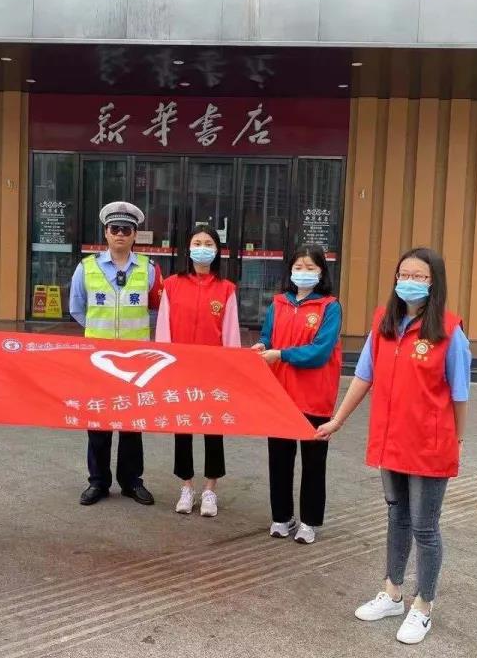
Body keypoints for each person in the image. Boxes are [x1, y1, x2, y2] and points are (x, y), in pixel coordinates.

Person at [316, 246, 470, 645]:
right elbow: (363, 377)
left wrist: (457, 439)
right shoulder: (383, 325)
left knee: (424, 526)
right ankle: (392, 593)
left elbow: (460, 394)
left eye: (419, 276)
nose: (410, 282)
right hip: (392, 440)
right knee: (397, 518)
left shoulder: (449, 332)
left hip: (430, 445)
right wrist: (337, 419)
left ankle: (424, 605)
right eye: (405, 274)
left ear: (434, 283)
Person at [69, 201, 162, 507]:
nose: (120, 234)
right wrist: (100, 332)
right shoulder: (86, 268)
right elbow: (77, 309)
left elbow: (157, 310)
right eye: (115, 228)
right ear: (106, 233)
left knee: (132, 423)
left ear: (134, 235)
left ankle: (132, 481)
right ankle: (98, 481)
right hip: (98, 359)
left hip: (136, 361)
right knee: (98, 422)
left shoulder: (149, 269)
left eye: (126, 229)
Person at [254, 245, 342, 545]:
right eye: (298, 267)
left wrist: (281, 354)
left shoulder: (330, 307)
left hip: (315, 397)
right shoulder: (278, 303)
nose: (303, 273)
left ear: (321, 272)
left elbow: (320, 352)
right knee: (279, 459)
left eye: (310, 267)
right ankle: (281, 517)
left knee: (313, 462)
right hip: (279, 395)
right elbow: (267, 337)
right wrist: (263, 347)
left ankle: (309, 521)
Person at [155, 226, 241, 517]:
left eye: (208, 243)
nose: (202, 247)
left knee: (213, 429)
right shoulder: (172, 285)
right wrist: (164, 365)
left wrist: (231, 370)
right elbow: (163, 329)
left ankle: (210, 489)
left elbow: (231, 335)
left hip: (213, 373)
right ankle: (186, 486)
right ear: (188, 249)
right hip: (180, 370)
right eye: (197, 242)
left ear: (216, 251)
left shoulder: (226, 289)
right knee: (183, 428)